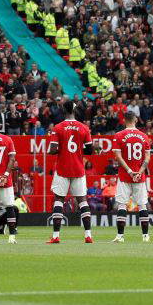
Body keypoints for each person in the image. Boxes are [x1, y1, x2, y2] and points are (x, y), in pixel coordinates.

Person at [46, 99, 94, 243]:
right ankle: (88, 235)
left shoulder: (58, 127)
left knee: (59, 200)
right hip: (78, 168)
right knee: (82, 201)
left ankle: (55, 236)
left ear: (64, 110)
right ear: (74, 110)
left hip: (62, 169)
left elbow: (53, 150)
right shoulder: (84, 127)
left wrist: (55, 149)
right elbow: (90, 150)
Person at [110, 112, 151, 243]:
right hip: (140, 176)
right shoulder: (144, 136)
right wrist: (139, 171)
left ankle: (120, 236)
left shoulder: (118, 136)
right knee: (142, 205)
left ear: (124, 120)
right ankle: (145, 236)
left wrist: (129, 171)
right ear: (135, 120)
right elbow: (147, 158)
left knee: (122, 205)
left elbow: (118, 156)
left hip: (124, 176)